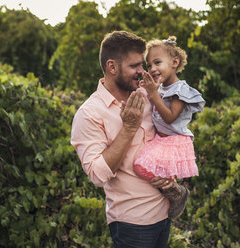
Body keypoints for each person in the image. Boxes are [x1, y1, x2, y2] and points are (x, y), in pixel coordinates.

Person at [70, 31, 188, 248]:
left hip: (164, 214)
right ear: (112, 67)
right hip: (133, 223)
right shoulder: (89, 114)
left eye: (142, 64)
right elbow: (97, 174)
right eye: (135, 66)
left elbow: (166, 135)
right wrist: (129, 128)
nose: (143, 71)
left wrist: (170, 175)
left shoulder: (147, 94)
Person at [134, 36, 205, 218]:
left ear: (175, 62)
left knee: (140, 166)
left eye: (158, 62)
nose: (153, 69)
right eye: (149, 65)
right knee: (144, 166)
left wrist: (153, 94)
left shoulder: (180, 89)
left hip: (174, 141)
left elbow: (170, 117)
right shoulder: (162, 88)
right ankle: (167, 189)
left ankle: (176, 192)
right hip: (161, 140)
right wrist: (150, 90)